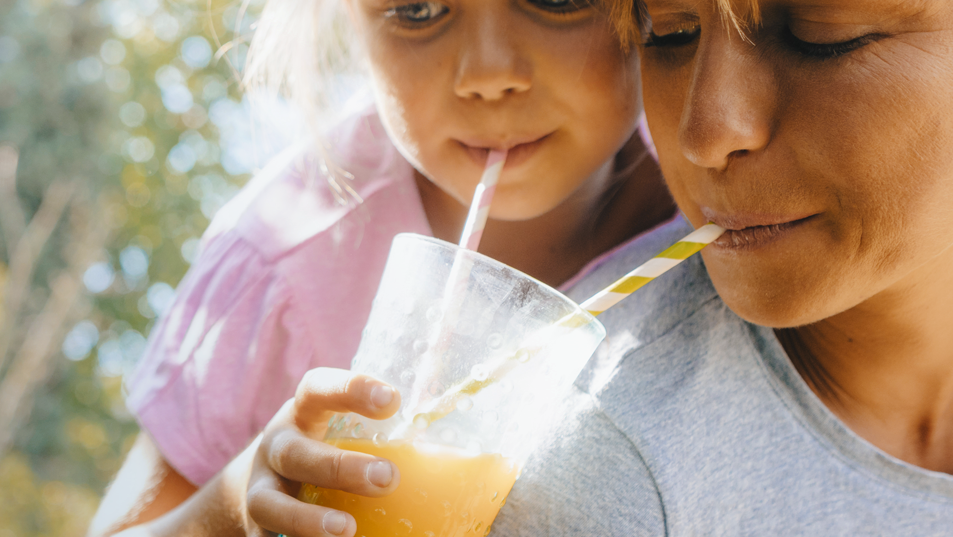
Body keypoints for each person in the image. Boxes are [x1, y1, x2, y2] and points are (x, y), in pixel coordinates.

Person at [237, 0, 953, 535]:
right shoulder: (600, 460)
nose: (705, 133)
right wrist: (225, 506)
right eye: (668, 34)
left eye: (823, 33)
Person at [88, 0, 683, 534]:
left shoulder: (728, 195)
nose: (489, 73)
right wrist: (237, 504)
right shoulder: (286, 257)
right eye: (418, 10)